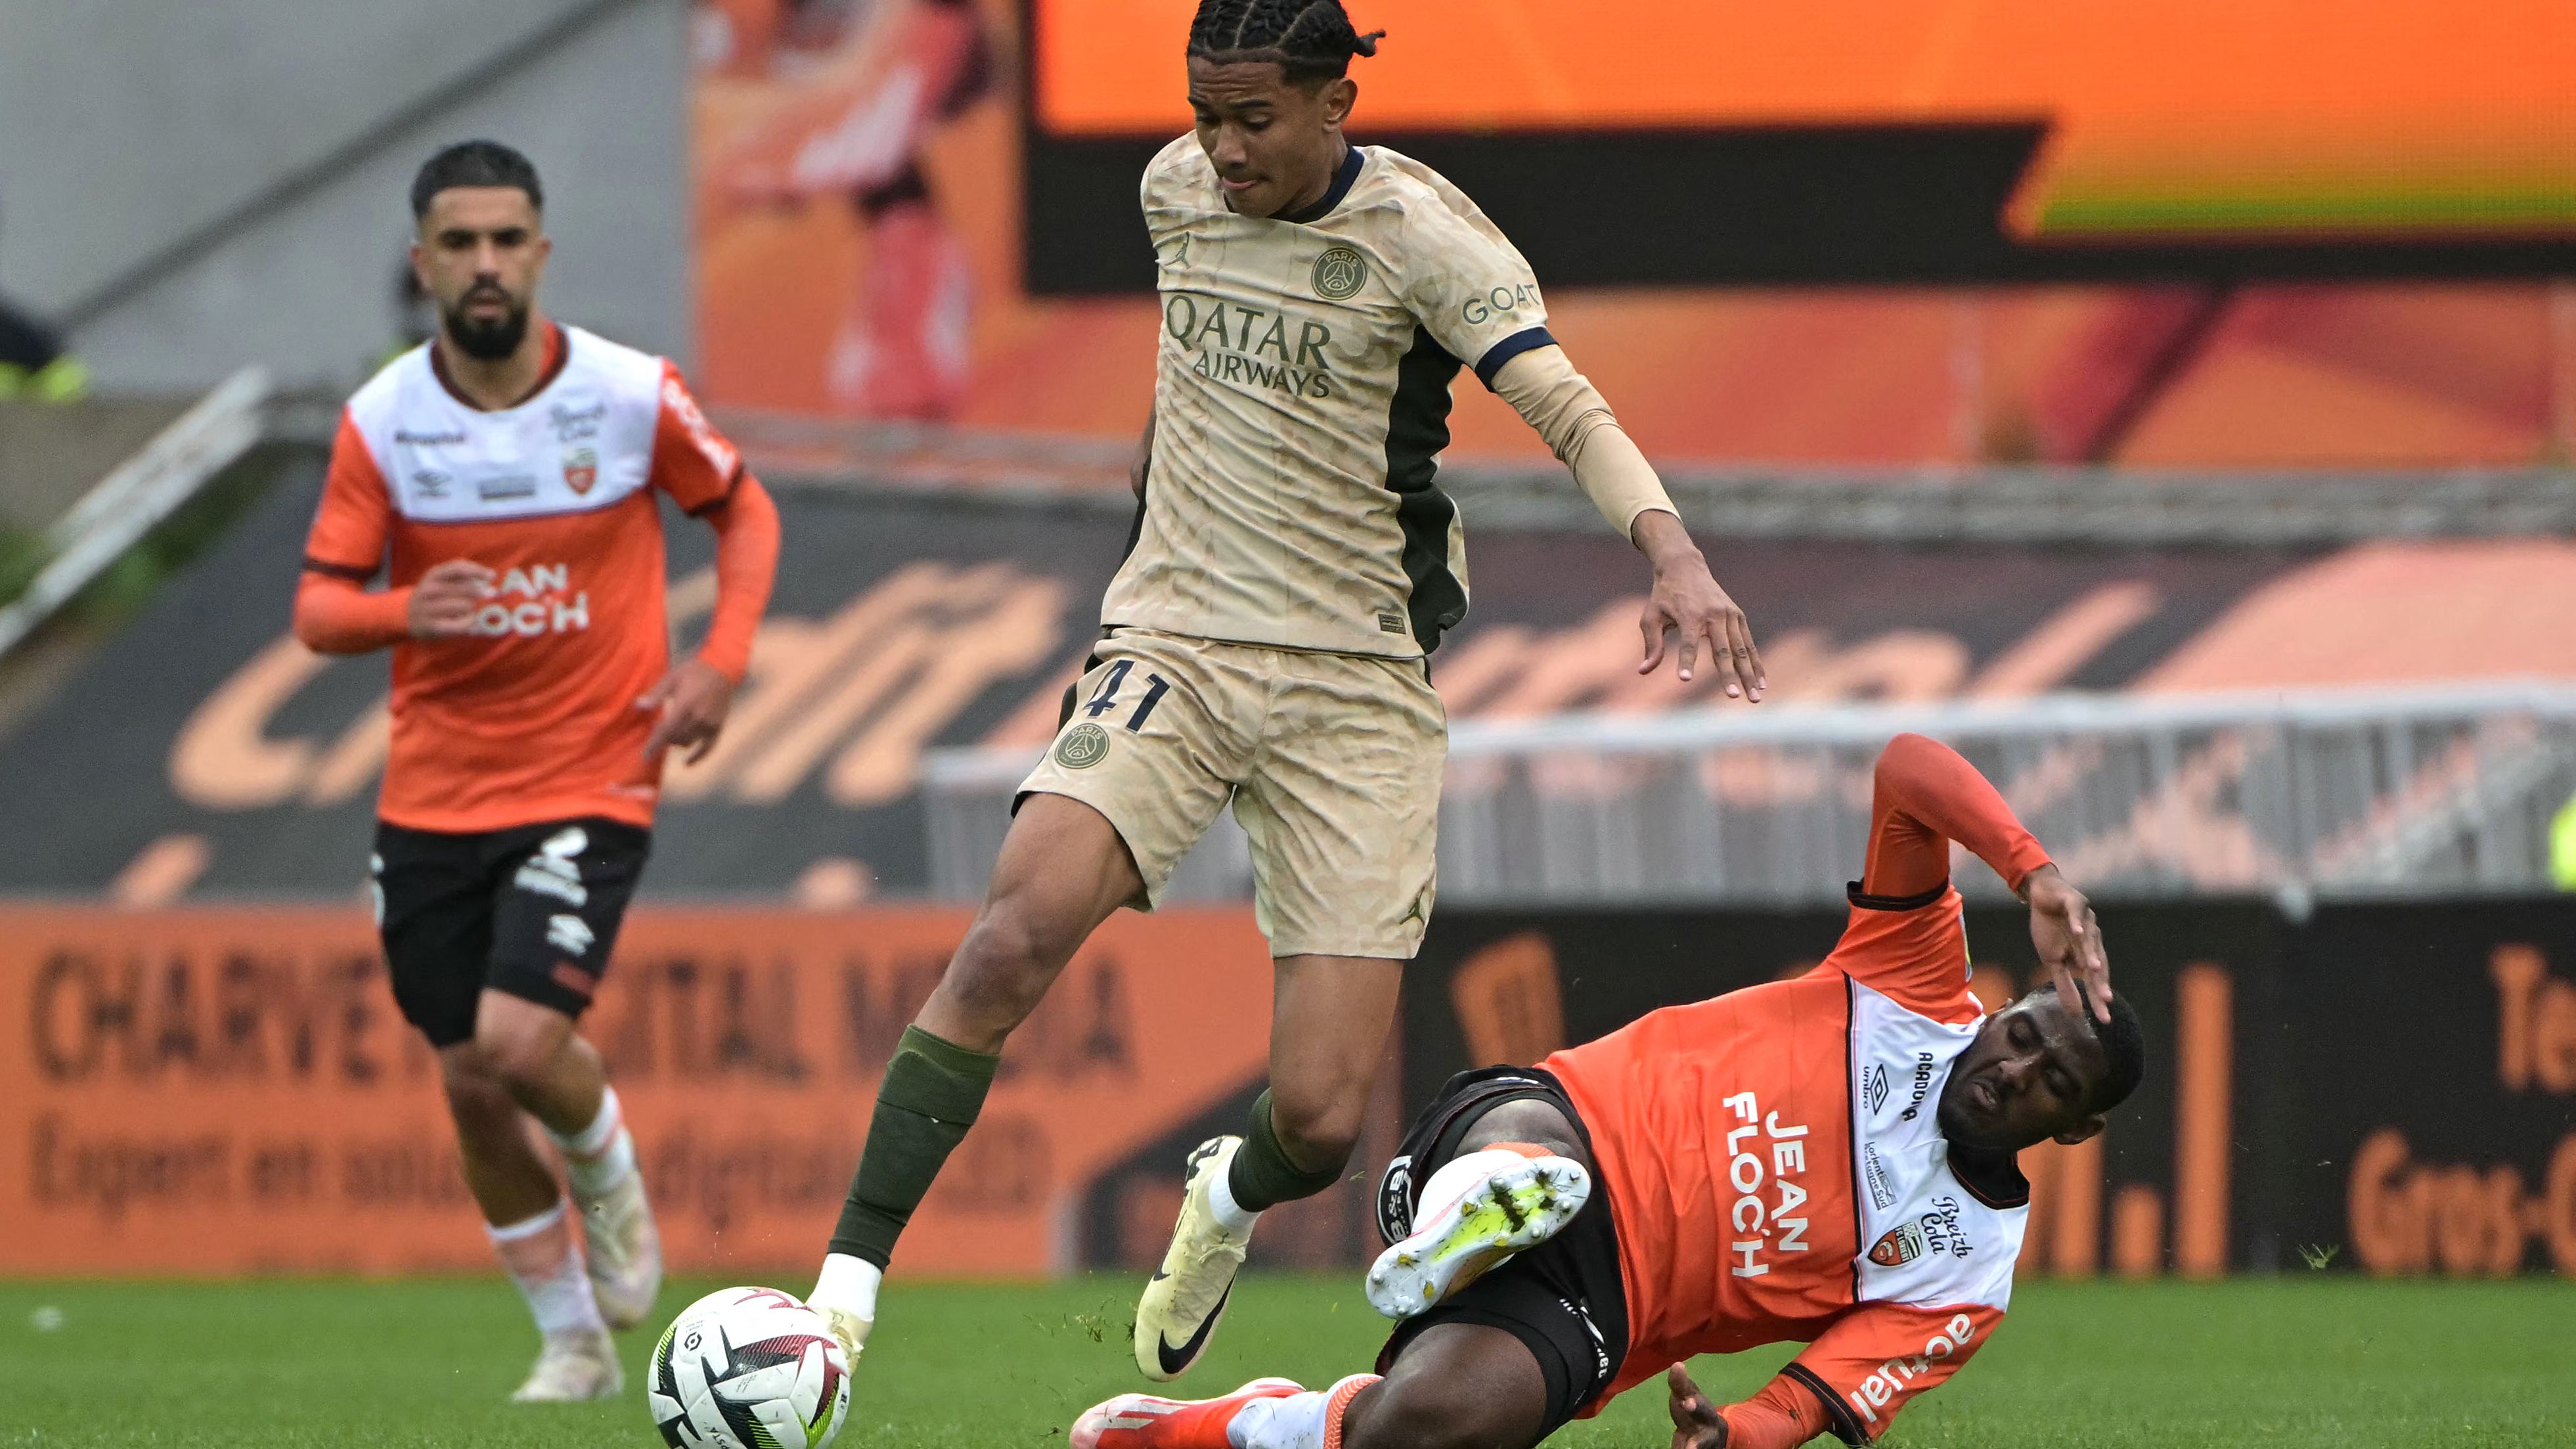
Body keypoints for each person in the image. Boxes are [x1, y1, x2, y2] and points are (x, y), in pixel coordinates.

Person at [799, 0, 1767, 1383]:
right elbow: (1195, 391)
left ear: (1333, 105)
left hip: (1353, 685)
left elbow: (1566, 407)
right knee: (1011, 936)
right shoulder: (1173, 192)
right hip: (1177, 645)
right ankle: (836, 1302)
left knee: (1315, 1122)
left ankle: (1226, 1194)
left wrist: (1672, 555)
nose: (1224, 148)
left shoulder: (1426, 240)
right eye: (1206, 116)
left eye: (1253, 119)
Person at [1070, 733, 2144, 1449]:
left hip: (1607, 1303)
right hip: (1568, 1117)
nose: (2011, 1070)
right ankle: (1476, 1210)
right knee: (1538, 1158)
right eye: (2020, 1034)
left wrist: (1732, 1434)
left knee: (1423, 1427)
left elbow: (1812, 1396)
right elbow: (1907, 765)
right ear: (2001, 1007)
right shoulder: (1912, 983)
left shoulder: (1967, 1270)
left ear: (2076, 1126)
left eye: (2049, 1080)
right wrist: (2031, 868)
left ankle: (1242, 1423)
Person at [293, 140, 782, 1402]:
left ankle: (608, 1174)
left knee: (519, 1041)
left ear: (541, 253)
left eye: (506, 240)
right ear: (423, 263)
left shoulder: (624, 393)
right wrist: (405, 609)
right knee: (468, 1076)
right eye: (460, 243)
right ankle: (573, 1341)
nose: (486, 263)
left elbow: (743, 509)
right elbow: (319, 607)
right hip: (433, 791)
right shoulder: (385, 419)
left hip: (592, 769)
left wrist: (720, 663)